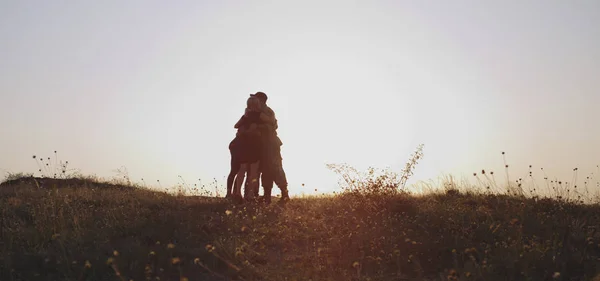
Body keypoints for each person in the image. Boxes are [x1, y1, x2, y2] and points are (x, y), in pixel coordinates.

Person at [249, 92, 290, 204]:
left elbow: (272, 125)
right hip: (262, 145)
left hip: (270, 144)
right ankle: (266, 196)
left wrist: (258, 126)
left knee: (275, 168)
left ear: (261, 100)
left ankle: (284, 194)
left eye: (256, 98)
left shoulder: (267, 111)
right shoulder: (256, 111)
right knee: (263, 170)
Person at [226, 96, 264, 202]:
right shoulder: (260, 116)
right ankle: (250, 194)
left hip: (243, 144)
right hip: (254, 144)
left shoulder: (246, 115)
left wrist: (243, 128)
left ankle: (238, 192)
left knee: (242, 169)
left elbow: (236, 125)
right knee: (253, 170)